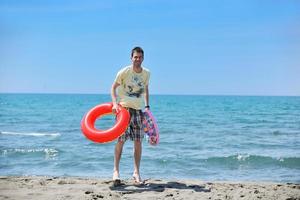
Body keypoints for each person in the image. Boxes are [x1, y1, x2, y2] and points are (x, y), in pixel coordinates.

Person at [111, 46, 150, 185]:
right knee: (121, 141)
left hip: (139, 111)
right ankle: (116, 171)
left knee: (138, 143)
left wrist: (147, 106)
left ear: (143, 58)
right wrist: (115, 104)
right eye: (135, 57)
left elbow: (146, 89)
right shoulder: (124, 72)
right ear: (131, 58)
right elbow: (113, 87)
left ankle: (136, 173)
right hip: (124, 111)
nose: (137, 59)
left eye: (140, 57)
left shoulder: (146, 73)